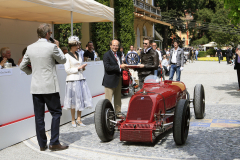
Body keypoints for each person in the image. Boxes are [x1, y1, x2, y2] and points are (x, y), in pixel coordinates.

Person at [19, 23, 68, 151]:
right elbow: (63, 60)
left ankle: (42, 144)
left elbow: (22, 66)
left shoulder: (30, 47)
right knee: (56, 113)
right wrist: (57, 46)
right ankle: (54, 142)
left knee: (39, 116)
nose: (50, 35)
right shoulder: (52, 47)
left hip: (36, 87)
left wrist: (32, 73)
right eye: (50, 33)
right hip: (50, 86)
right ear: (47, 34)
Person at [63, 36, 92, 127]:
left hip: (81, 78)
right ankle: (72, 120)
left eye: (78, 45)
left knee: (81, 99)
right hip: (72, 80)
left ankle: (79, 119)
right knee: (73, 101)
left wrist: (82, 68)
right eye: (76, 45)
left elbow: (79, 68)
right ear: (72, 46)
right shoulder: (66, 56)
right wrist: (78, 68)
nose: (78, 46)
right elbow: (67, 70)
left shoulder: (79, 55)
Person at [102, 40, 127, 117]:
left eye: (116, 45)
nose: (115, 47)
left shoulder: (119, 54)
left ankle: (118, 113)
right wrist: (119, 67)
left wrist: (124, 67)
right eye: (113, 45)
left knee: (118, 98)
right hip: (109, 80)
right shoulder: (106, 55)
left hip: (118, 78)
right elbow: (107, 67)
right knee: (108, 99)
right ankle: (108, 115)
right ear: (110, 45)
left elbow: (119, 64)